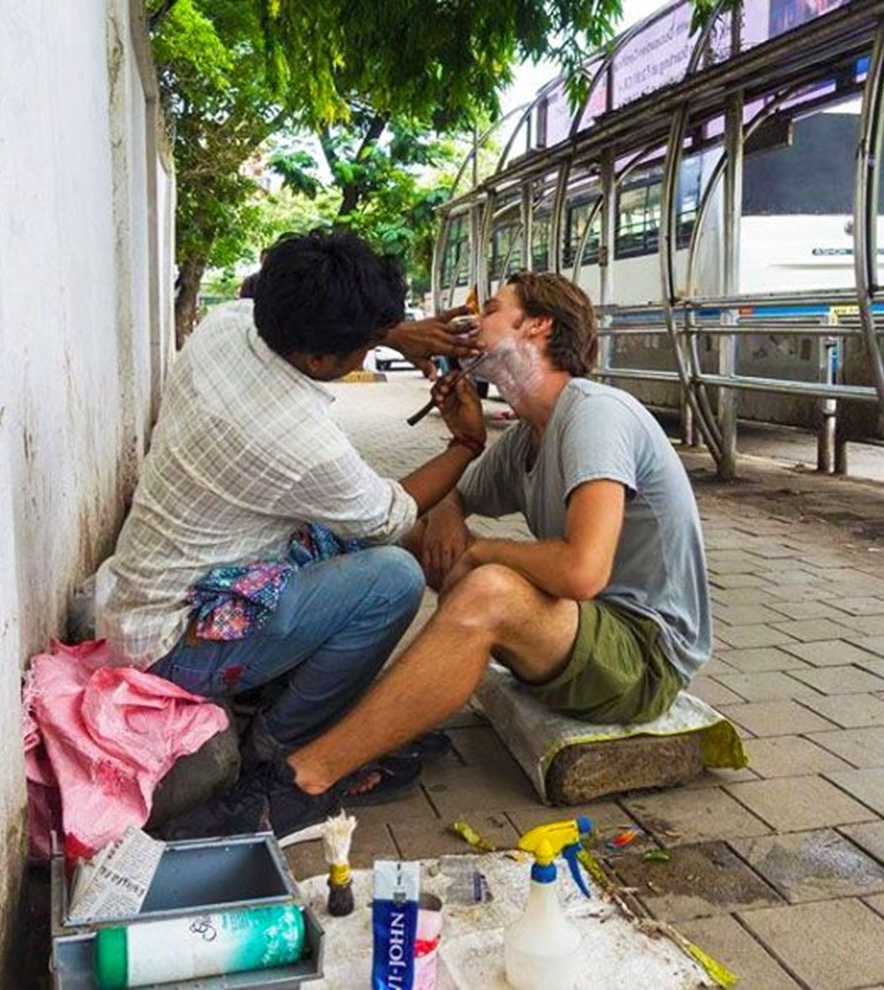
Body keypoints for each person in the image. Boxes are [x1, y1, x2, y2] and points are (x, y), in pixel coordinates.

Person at [164, 270, 712, 841]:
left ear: (538, 325)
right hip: (578, 639)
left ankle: (302, 782)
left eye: (493, 309)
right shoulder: (529, 435)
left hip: (643, 659)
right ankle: (340, 702)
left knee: (490, 587)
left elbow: (583, 570)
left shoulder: (595, 413)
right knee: (396, 534)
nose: (470, 323)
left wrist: (482, 553)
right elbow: (422, 507)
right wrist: (462, 444)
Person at [98, 230, 487, 810]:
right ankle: (282, 744)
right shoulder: (300, 442)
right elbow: (389, 515)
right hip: (173, 646)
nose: (369, 354)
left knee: (327, 534)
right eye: (363, 347)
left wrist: (388, 330)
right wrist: (466, 441)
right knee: (392, 577)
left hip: (137, 601)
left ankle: (278, 691)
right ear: (318, 359)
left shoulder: (227, 325)